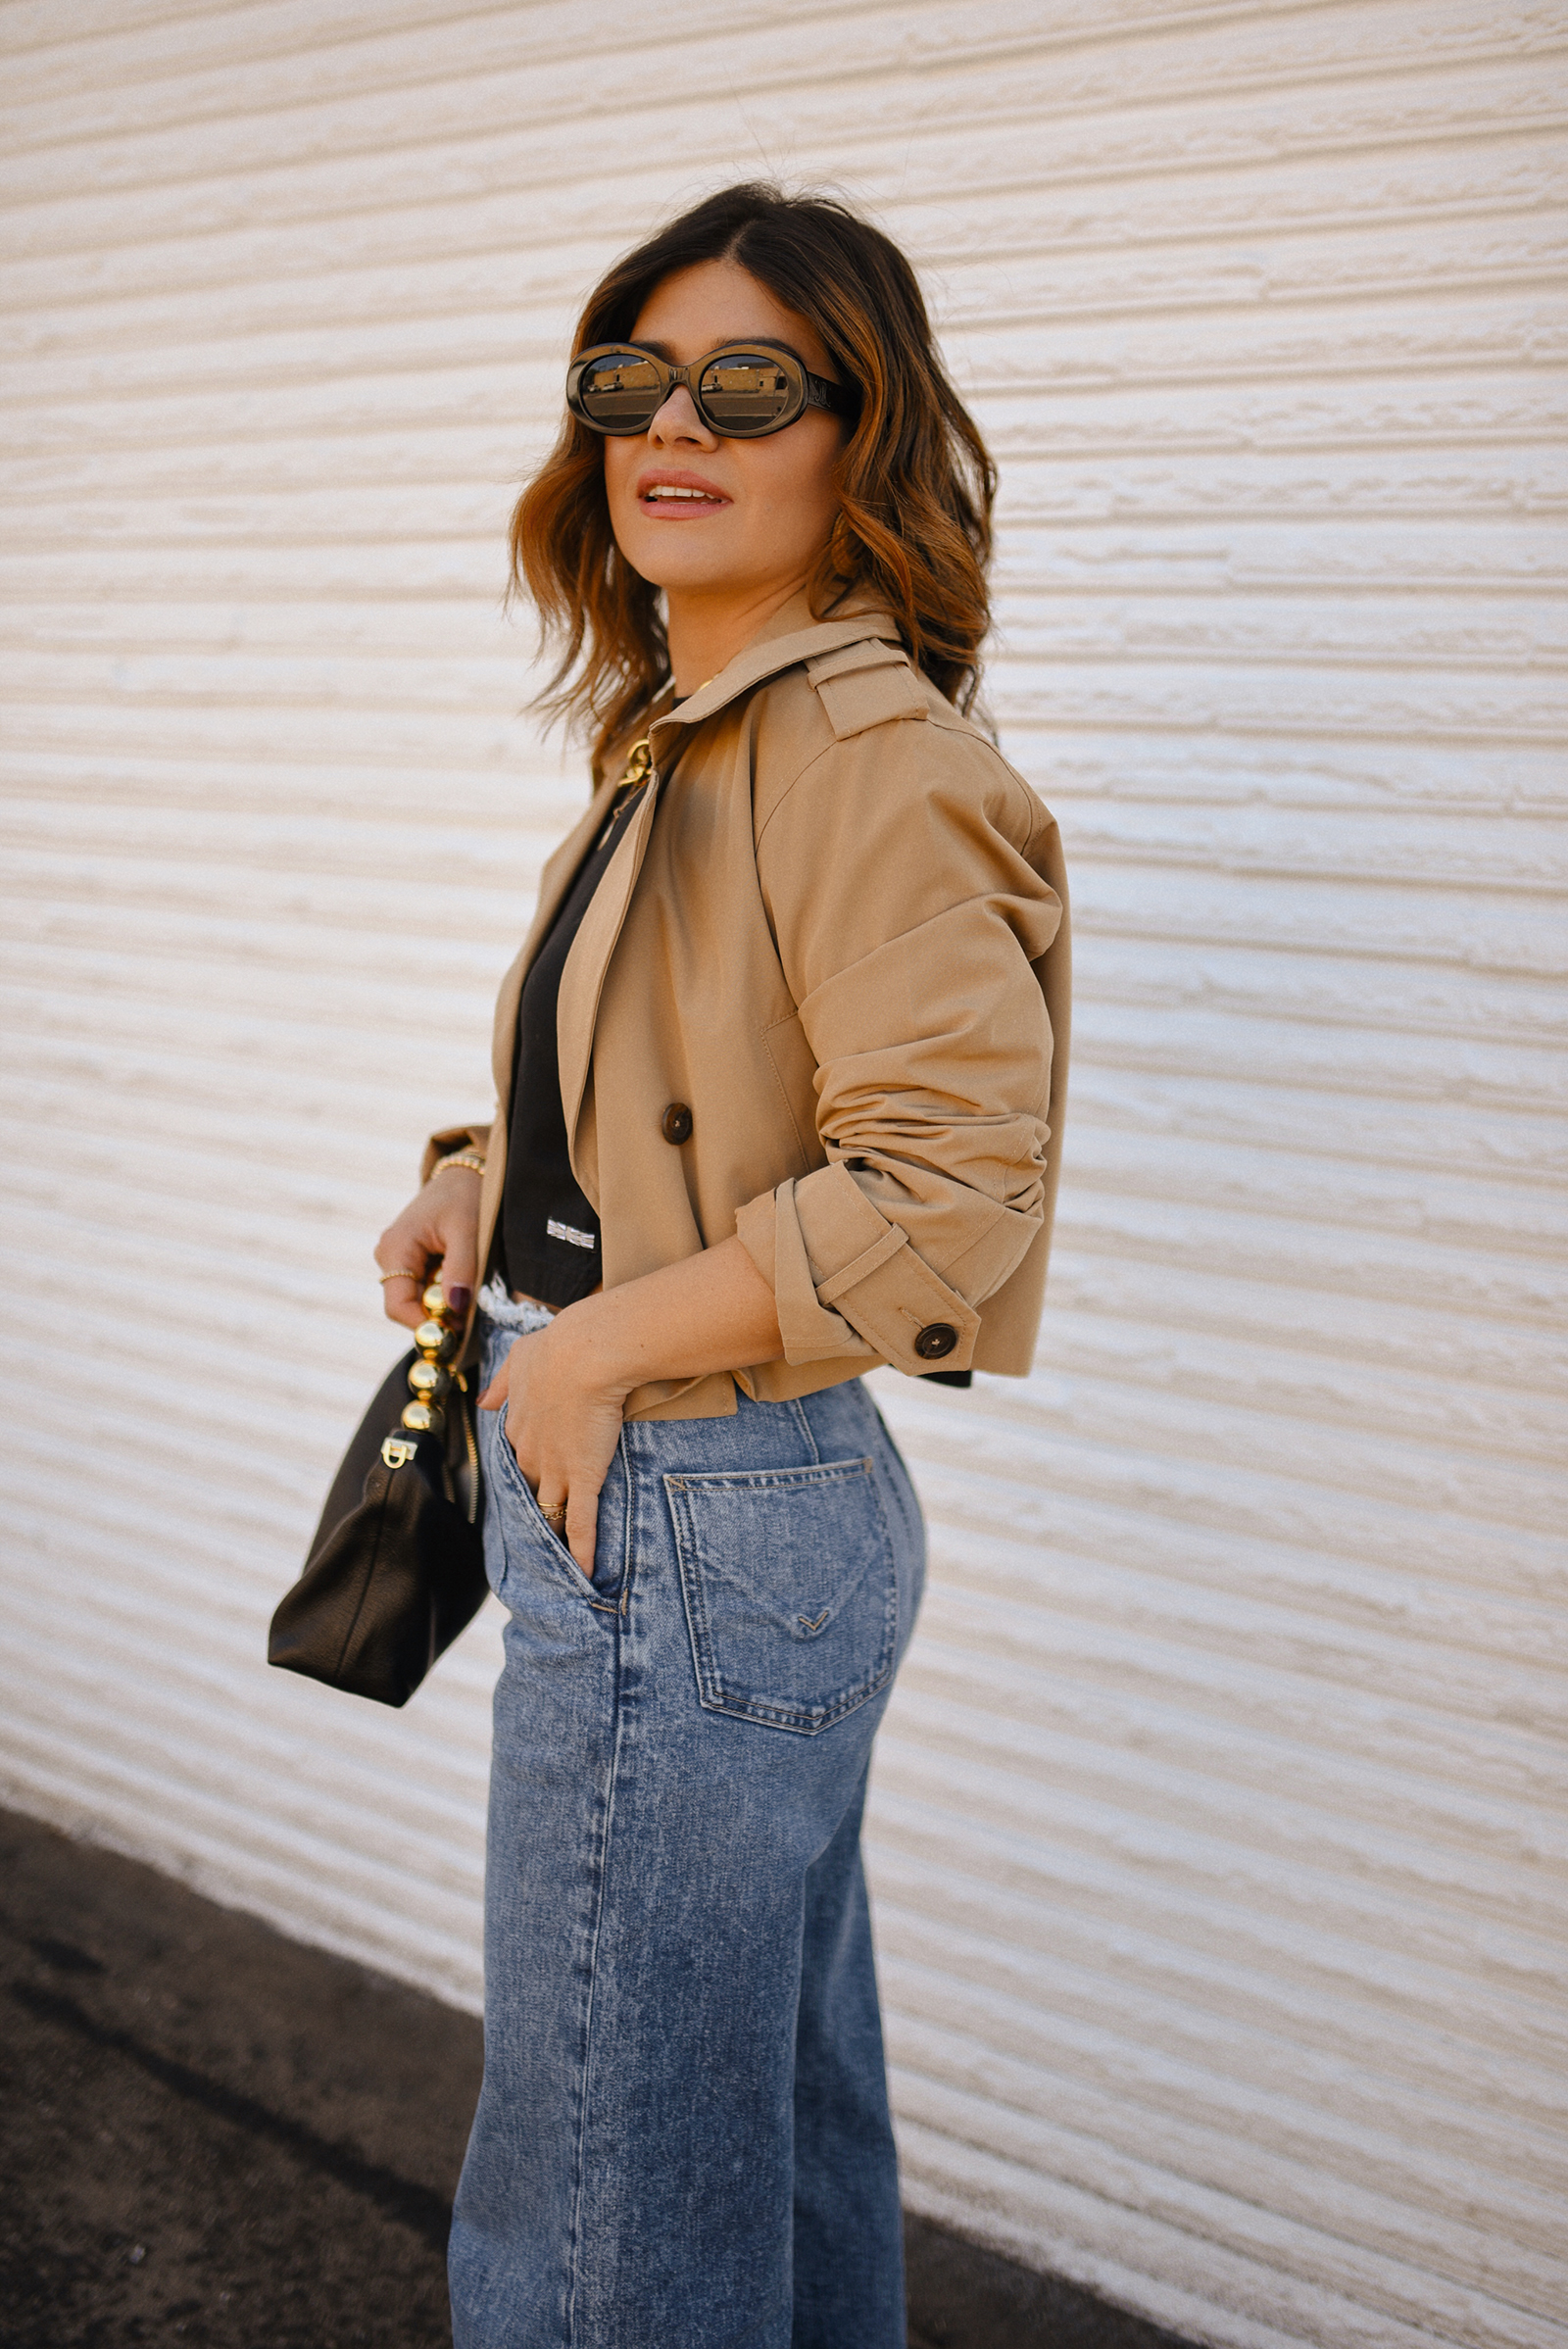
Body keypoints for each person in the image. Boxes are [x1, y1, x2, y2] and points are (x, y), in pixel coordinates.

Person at [373, 182, 1069, 2349]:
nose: (674, 421)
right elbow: (687, 1072)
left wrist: (577, 1367)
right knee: (740, 2124)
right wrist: (483, 1179)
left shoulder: (858, 752)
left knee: (600, 2208)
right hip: (712, 1499)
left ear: (858, 434)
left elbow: (948, 1188)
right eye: (628, 379)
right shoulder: (696, 724)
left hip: (688, 1491)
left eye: (749, 381)